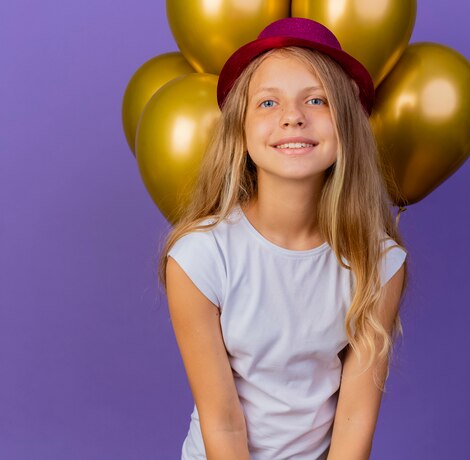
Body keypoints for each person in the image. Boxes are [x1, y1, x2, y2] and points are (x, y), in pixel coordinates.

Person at [158, 17, 409, 460]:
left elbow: (355, 418)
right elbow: (223, 422)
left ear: (347, 125)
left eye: (317, 99)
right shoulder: (199, 258)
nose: (293, 117)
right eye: (268, 102)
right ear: (241, 130)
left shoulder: (380, 263)